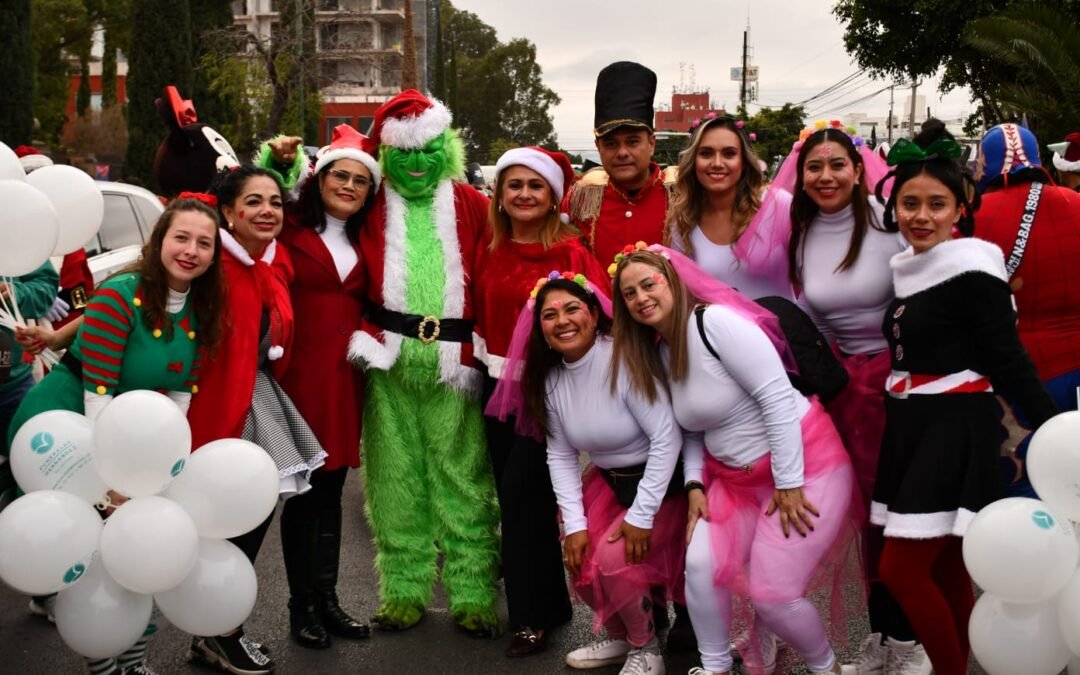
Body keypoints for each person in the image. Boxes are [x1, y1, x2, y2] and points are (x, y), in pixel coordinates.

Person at [611, 244, 858, 675]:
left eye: (648, 284)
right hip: (734, 481)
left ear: (673, 282)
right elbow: (692, 429)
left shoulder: (716, 323)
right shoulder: (663, 352)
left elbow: (777, 397)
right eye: (629, 294)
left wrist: (788, 483)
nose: (641, 298)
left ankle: (826, 668)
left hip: (805, 468)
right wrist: (694, 484)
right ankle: (715, 666)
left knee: (774, 595)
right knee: (700, 567)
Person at [6, 196, 223, 675]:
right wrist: (113, 484)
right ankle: (102, 664)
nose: (191, 251)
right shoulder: (120, 294)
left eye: (204, 243)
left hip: (129, 433)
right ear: (159, 240)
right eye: (181, 237)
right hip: (69, 423)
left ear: (214, 256)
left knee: (142, 554)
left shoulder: (203, 309)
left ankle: (134, 662)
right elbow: (98, 396)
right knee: (97, 555)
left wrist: (165, 468)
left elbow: (181, 395)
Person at [872, 129, 1057, 675]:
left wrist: (1052, 428)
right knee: (947, 566)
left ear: (960, 208)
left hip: (953, 428)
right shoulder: (911, 268)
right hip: (912, 427)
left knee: (902, 570)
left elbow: (1009, 358)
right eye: (910, 203)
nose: (921, 216)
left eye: (936, 204)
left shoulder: (974, 270)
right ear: (894, 207)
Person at [346, 90, 501, 637]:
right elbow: (312, 201)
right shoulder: (369, 204)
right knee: (395, 485)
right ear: (387, 156)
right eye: (404, 154)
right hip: (388, 367)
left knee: (464, 483)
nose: (416, 163)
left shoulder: (472, 204)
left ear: (447, 149)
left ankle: (473, 592)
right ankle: (404, 591)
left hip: (454, 367)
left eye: (427, 151)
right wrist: (282, 165)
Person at [786, 126, 923, 674]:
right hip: (846, 391)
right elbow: (816, 319)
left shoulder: (890, 221)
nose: (826, 177)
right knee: (866, 519)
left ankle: (913, 641)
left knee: (903, 514)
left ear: (857, 168)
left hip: (902, 385)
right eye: (814, 167)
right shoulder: (800, 234)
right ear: (801, 175)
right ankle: (881, 636)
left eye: (837, 165)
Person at [187, 166, 326, 675]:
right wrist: (61, 337)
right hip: (210, 404)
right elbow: (141, 295)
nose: (267, 211)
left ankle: (217, 628)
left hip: (258, 396)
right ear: (227, 211)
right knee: (216, 526)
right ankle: (216, 631)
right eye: (253, 201)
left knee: (250, 516)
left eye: (274, 201)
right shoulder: (208, 261)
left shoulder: (273, 258)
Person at [513, 272, 685, 675]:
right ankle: (622, 636)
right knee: (581, 557)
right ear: (540, 328)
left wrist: (641, 515)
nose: (562, 321)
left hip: (661, 483)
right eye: (550, 315)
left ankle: (647, 650)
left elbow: (666, 436)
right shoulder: (551, 379)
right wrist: (574, 525)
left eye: (572, 309)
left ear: (593, 314)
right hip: (609, 484)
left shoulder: (621, 359)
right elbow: (560, 454)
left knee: (612, 559)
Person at [473, 146, 608, 657]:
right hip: (494, 389)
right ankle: (548, 605)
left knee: (523, 497)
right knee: (518, 501)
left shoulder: (572, 252)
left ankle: (530, 617)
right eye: (515, 185)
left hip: (548, 390)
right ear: (499, 195)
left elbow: (600, 317)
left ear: (553, 196)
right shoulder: (489, 246)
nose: (525, 194)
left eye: (536, 186)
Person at [257, 124, 380, 649]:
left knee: (331, 492)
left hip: (346, 380)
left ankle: (328, 600)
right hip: (299, 377)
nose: (349, 186)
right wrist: (281, 163)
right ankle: (300, 607)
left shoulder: (369, 238)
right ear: (320, 178)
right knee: (304, 495)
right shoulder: (289, 227)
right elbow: (257, 198)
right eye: (340, 176)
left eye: (360, 180)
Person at [667, 114, 794, 301]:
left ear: (744, 162)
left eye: (729, 154)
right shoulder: (683, 221)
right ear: (693, 161)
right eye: (706, 153)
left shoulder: (778, 205)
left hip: (783, 320)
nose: (717, 164)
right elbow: (684, 296)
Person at [565, 61, 675, 269]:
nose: (622, 152)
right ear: (598, 147)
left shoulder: (680, 195)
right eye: (611, 144)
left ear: (651, 143)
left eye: (632, 142)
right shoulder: (582, 197)